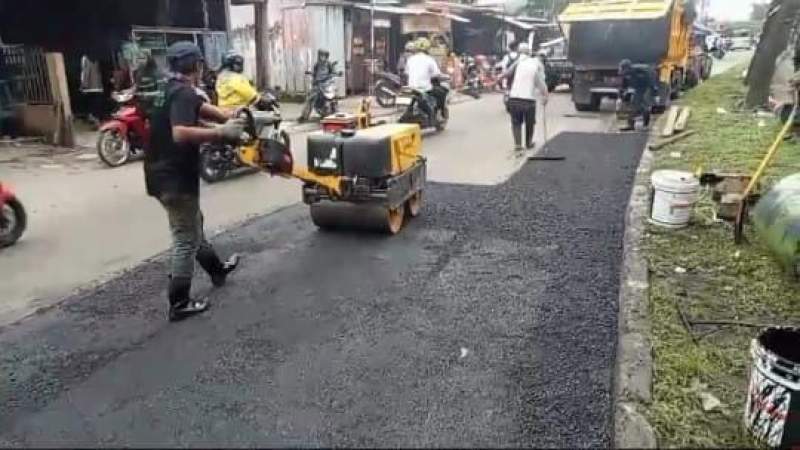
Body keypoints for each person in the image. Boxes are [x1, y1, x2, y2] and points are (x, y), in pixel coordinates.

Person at [145, 41, 246, 322]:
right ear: (197, 66)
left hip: (158, 174)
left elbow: (203, 110)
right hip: (174, 178)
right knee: (185, 238)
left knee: (192, 225)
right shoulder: (183, 94)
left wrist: (230, 116)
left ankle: (216, 269)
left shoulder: (169, 90)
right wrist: (220, 133)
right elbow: (179, 133)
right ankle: (179, 302)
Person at [504, 42, 549, 151]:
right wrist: (545, 96)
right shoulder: (535, 64)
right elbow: (541, 83)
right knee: (530, 123)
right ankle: (528, 143)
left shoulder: (517, 62)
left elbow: (507, 74)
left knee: (516, 123)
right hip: (528, 100)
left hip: (514, 98)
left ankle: (518, 145)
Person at [405, 37, 446, 118]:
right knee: (442, 93)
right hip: (424, 88)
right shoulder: (429, 59)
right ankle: (439, 112)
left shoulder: (410, 59)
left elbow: (407, 72)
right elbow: (436, 74)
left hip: (411, 87)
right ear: (427, 48)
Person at [618, 59, 659, 131]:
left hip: (647, 85)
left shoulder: (640, 71)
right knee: (634, 104)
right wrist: (621, 96)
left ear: (628, 68)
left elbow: (651, 81)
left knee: (644, 104)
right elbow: (623, 86)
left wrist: (655, 94)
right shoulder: (625, 74)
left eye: (623, 70)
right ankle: (630, 125)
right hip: (639, 86)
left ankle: (645, 125)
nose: (622, 72)